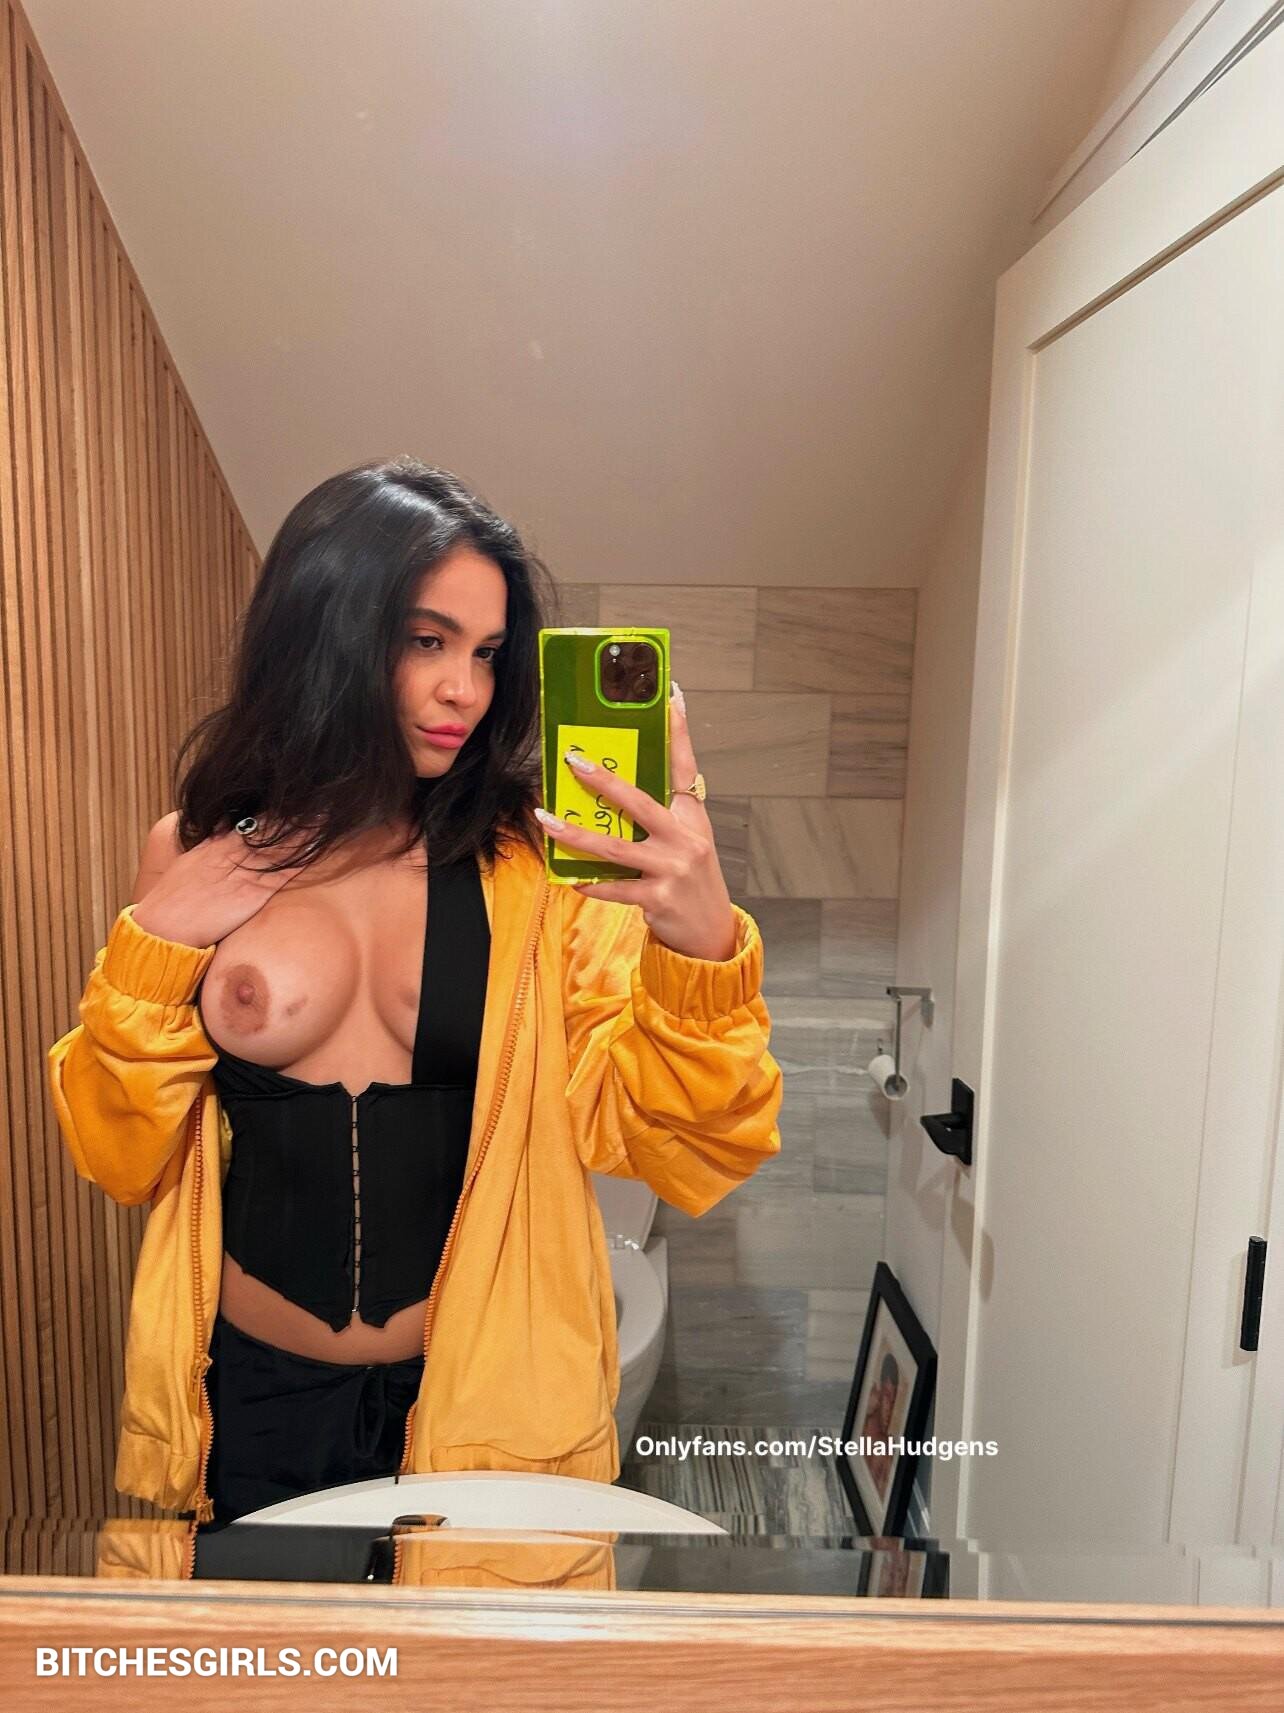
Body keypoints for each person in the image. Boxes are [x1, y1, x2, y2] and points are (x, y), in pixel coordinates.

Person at [46, 456, 783, 1529]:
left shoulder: (537, 875)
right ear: (326, 630)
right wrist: (156, 941)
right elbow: (121, 1156)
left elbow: (680, 1145)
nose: (465, 691)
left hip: (486, 1394)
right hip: (250, 1395)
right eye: (427, 641)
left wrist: (702, 943)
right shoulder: (195, 852)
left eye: (486, 653)